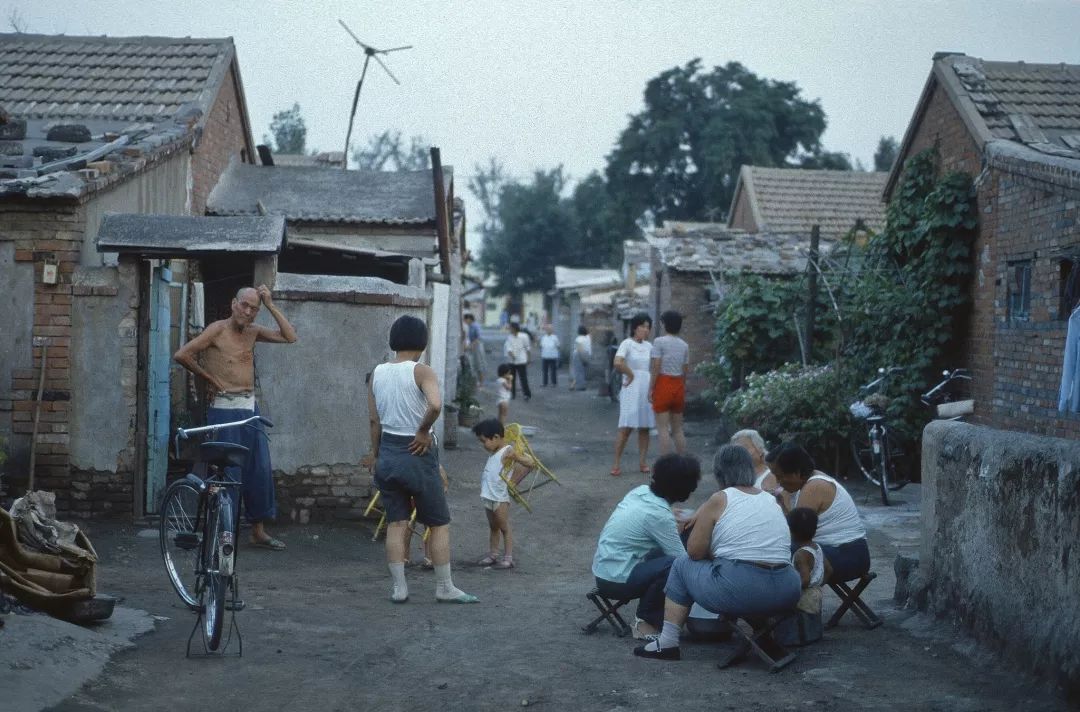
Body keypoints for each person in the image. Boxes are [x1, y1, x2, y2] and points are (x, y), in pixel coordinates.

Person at [634, 445, 801, 660]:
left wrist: (715, 551)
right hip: (787, 588)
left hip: (744, 589)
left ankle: (667, 642)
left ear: (719, 474)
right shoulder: (770, 499)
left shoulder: (720, 499)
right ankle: (764, 637)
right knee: (739, 571)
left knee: (681, 564)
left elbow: (694, 552)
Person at [364, 315, 477, 604]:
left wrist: (376, 456)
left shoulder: (377, 372)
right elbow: (436, 404)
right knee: (437, 523)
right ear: (423, 343)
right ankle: (444, 586)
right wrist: (424, 430)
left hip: (388, 451)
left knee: (396, 523)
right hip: (416, 453)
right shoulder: (422, 371)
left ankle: (399, 588)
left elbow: (374, 422)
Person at [173, 285, 296, 551]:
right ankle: (223, 531)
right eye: (244, 305)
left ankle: (258, 531)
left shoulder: (252, 332)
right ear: (233, 304)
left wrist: (271, 305)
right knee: (228, 472)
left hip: (250, 411)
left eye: (254, 308)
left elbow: (290, 336)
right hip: (224, 411)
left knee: (259, 470)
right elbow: (182, 354)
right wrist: (210, 379)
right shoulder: (217, 330)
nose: (248, 312)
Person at [592, 454, 701, 638]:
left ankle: (650, 618)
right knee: (674, 566)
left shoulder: (640, 492)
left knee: (672, 552)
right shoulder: (659, 515)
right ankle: (646, 622)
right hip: (617, 581)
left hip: (605, 571)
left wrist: (671, 516)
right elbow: (682, 561)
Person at [769, 443, 870, 583]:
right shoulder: (800, 485)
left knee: (776, 552)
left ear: (797, 472)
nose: (778, 483)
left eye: (780, 477)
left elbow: (794, 535)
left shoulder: (814, 487)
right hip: (837, 552)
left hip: (848, 556)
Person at [472, 418, 534, 570]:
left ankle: (508, 558)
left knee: (504, 527)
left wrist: (516, 457)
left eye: (484, 441)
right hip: (488, 496)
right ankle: (493, 554)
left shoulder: (508, 451)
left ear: (496, 437)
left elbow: (531, 462)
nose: (483, 445)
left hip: (499, 497)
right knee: (493, 527)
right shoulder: (494, 451)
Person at [776, 506, 833, 646]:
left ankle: (795, 639)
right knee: (812, 617)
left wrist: (791, 589)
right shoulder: (817, 547)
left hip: (804, 594)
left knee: (792, 613)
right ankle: (813, 635)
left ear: (791, 531)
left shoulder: (801, 554)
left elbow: (805, 579)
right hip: (816, 592)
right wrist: (819, 584)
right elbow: (829, 569)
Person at [611, 312, 656, 476]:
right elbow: (617, 362)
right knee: (626, 427)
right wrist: (630, 374)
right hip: (630, 388)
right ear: (635, 327)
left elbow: (655, 366)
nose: (646, 330)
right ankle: (616, 463)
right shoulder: (627, 344)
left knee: (644, 427)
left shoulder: (649, 346)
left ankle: (643, 462)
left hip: (646, 387)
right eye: (643, 326)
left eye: (648, 327)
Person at [649, 310, 689, 455]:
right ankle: (682, 462)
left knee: (663, 429)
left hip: (663, 383)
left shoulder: (659, 342)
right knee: (678, 429)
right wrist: (682, 387)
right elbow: (685, 369)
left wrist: (651, 388)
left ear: (665, 324)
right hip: (678, 384)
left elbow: (656, 366)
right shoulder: (684, 345)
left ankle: (666, 465)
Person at [503, 322, 532, 401]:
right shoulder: (509, 337)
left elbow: (527, 347)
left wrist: (529, 358)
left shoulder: (524, 336)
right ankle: (512, 394)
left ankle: (527, 394)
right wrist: (512, 355)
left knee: (523, 378)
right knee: (511, 378)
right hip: (511, 361)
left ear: (514, 328)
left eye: (510, 328)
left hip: (521, 360)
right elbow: (508, 348)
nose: (509, 329)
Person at [462, 313, 486, 386]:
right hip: (473, 346)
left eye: (465, 320)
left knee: (479, 364)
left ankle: (481, 383)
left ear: (469, 319)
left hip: (477, 346)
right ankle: (477, 382)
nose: (465, 322)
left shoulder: (475, 326)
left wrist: (470, 346)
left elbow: (478, 338)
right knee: (474, 364)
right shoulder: (470, 327)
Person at [570, 325, 591, 391]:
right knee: (583, 371)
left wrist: (582, 357)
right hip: (587, 354)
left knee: (578, 371)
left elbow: (579, 348)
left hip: (578, 355)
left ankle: (580, 386)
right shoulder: (588, 338)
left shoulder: (578, 338)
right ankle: (573, 385)